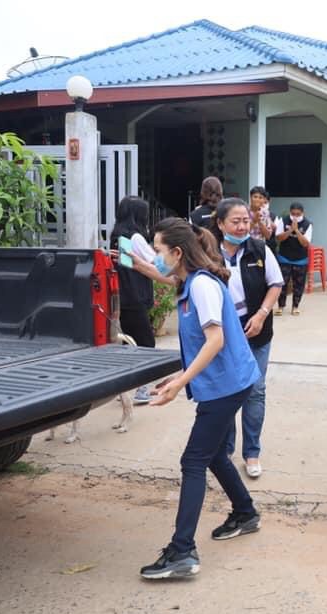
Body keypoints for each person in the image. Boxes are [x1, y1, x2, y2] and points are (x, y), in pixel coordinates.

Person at [139, 218, 261, 580]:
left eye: (158, 250)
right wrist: (180, 375)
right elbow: (164, 279)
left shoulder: (202, 286)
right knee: (213, 455)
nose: (156, 257)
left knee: (193, 460)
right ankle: (245, 512)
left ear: (177, 253)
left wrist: (180, 382)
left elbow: (215, 341)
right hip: (226, 383)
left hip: (227, 386)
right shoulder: (189, 283)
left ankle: (182, 551)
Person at [211, 198, 283, 478]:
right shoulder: (209, 253)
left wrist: (262, 314)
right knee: (227, 390)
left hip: (255, 328)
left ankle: (252, 452)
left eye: (245, 221)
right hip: (222, 331)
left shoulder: (259, 249)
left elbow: (276, 284)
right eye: (235, 222)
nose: (242, 227)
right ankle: (226, 450)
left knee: (254, 389)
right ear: (220, 224)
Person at [110, 196, 156, 404]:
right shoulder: (135, 237)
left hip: (122, 296)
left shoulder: (117, 235)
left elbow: (125, 264)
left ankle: (124, 389)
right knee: (145, 343)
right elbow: (154, 261)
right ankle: (141, 388)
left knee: (128, 341)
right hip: (135, 296)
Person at [274, 202, 313, 316]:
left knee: (299, 285)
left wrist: (296, 230)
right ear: (290, 212)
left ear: (302, 213)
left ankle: (295, 306)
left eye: (298, 214)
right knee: (282, 284)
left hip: (301, 259)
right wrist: (290, 230)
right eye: (293, 214)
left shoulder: (307, 224)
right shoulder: (283, 221)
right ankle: (280, 306)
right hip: (284, 258)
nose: (295, 216)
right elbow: (279, 238)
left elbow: (305, 243)